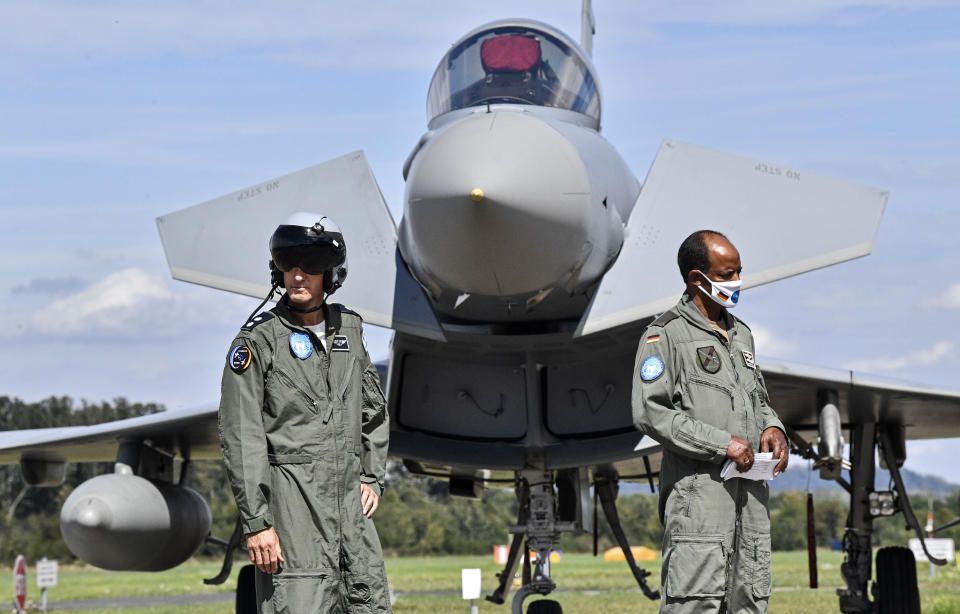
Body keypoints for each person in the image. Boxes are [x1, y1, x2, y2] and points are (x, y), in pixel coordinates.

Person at [219, 212, 392, 613]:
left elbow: (373, 411)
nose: (298, 275)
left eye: (311, 265)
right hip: (293, 519)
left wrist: (372, 477)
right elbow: (241, 437)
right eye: (288, 264)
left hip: (352, 521)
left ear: (331, 274)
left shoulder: (350, 330)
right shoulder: (257, 343)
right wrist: (258, 524)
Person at [632, 230, 789, 613]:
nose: (736, 282)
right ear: (696, 279)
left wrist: (773, 428)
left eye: (738, 272)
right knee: (694, 603)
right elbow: (650, 411)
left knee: (750, 601)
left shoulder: (742, 335)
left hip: (750, 500)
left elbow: (758, 399)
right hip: (699, 501)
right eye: (726, 274)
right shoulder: (665, 335)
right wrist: (723, 444)